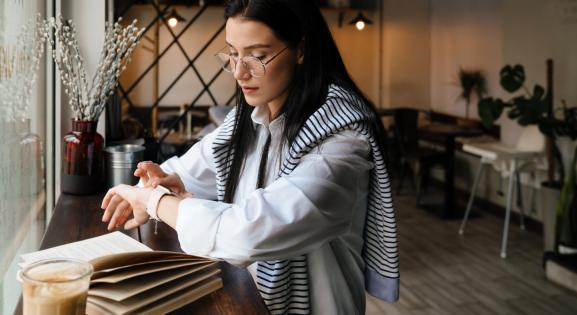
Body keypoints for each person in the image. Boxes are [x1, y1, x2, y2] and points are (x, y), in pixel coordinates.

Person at [100, 0, 399, 314]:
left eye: (258, 56)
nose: (239, 72)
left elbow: (247, 232)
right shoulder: (248, 119)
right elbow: (189, 169)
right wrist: (160, 181)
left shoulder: (341, 142)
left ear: (300, 50)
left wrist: (155, 202)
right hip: (249, 301)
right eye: (232, 53)